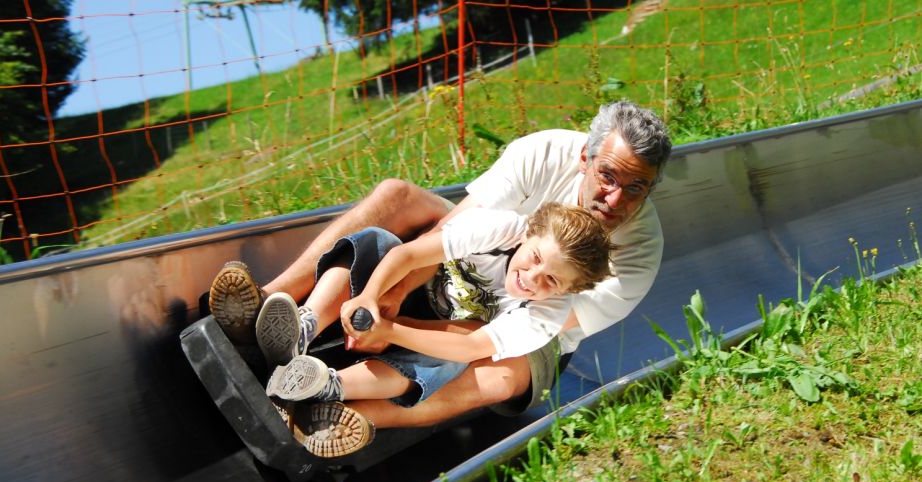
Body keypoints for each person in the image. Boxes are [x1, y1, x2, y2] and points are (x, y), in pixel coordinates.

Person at [208, 100, 672, 455]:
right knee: (394, 198)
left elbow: (488, 340)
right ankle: (273, 310)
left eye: (635, 189)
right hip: (467, 264)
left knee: (498, 376)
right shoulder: (538, 166)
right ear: (585, 158)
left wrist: (391, 328)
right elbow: (445, 235)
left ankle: (333, 414)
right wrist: (386, 296)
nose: (615, 199)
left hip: (511, 330)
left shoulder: (625, 261)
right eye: (608, 176)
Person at [252, 203, 612, 457]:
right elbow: (408, 256)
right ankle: (305, 325)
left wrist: (388, 331)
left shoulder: (548, 314)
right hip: (415, 295)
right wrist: (370, 299)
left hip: (445, 336)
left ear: (567, 291)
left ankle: (327, 386)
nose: (532, 278)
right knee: (378, 241)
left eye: (551, 280)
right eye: (534, 258)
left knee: (450, 358)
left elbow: (471, 347)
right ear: (528, 234)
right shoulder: (501, 229)